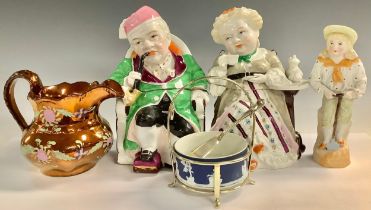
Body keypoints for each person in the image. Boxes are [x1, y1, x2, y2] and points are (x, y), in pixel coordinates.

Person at [110, 6, 209, 173]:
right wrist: (126, 83)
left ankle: (178, 154)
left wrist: (199, 90)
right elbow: (112, 82)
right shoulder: (132, 64)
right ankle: (147, 152)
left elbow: (199, 76)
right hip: (147, 107)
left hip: (180, 107)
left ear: (168, 38)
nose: (147, 45)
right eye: (138, 42)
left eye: (153, 36)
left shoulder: (184, 61)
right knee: (146, 118)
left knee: (182, 128)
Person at [208, 7, 307, 169]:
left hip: (265, 98)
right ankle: (242, 152)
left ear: (256, 31)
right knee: (238, 111)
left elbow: (280, 76)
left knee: (260, 116)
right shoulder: (223, 59)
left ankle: (262, 152)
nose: (236, 40)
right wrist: (221, 67)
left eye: (241, 32)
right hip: (236, 95)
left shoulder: (268, 55)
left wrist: (266, 77)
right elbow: (215, 89)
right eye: (228, 37)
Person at [310, 25, 367, 167]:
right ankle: (326, 139)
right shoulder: (322, 60)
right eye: (331, 43)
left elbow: (362, 80)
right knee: (327, 114)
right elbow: (314, 79)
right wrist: (324, 90)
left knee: (345, 113)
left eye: (340, 43)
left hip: (347, 93)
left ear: (348, 45)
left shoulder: (355, 62)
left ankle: (340, 138)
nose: (334, 47)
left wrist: (354, 93)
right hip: (330, 92)